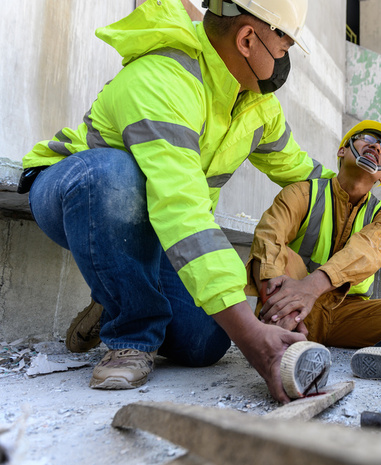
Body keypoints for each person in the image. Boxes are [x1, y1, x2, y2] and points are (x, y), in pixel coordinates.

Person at [19, 0, 336, 403]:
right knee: (113, 177)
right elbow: (181, 208)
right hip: (76, 191)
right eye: (284, 45)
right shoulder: (164, 76)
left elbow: (302, 172)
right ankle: (131, 334)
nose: (285, 58)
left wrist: (356, 191)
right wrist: (251, 334)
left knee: (206, 343)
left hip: (152, 225)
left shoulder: (256, 105)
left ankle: (116, 291)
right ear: (247, 39)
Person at [248, 120, 381, 385]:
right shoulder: (304, 192)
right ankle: (282, 345)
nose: (376, 146)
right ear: (342, 151)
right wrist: (285, 304)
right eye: (367, 138)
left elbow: (363, 253)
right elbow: (268, 239)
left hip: (348, 315)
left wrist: (312, 287)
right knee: (277, 253)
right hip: (292, 305)